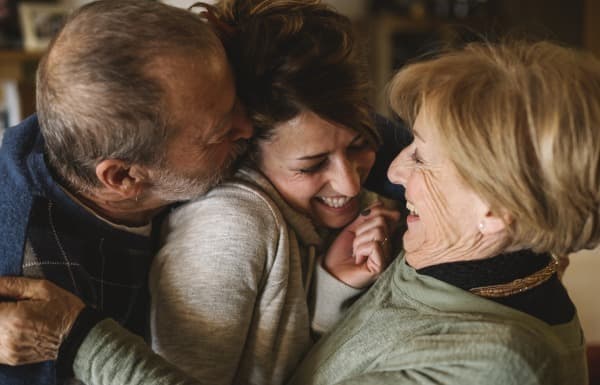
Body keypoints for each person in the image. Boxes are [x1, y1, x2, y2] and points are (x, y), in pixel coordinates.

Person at [287, 40, 597, 385]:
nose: (393, 172)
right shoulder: (481, 250)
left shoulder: (489, 369)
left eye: (419, 158)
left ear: (495, 209)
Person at [0, 0, 253, 383]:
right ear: (122, 177)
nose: (248, 127)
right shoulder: (35, 296)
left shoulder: (91, 122)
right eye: (221, 132)